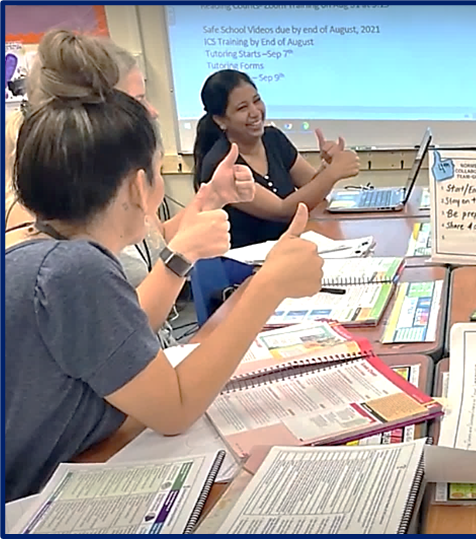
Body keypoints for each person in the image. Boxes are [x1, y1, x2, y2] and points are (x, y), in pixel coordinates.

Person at [5, 79, 324, 501]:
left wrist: (205, 211)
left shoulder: (45, 253)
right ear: (141, 187)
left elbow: (124, 331)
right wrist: (268, 287)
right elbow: (174, 409)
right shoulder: (74, 269)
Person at [4, 30, 253, 346]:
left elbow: (155, 239)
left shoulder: (110, 180)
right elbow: (113, 335)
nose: (153, 111)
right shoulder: (48, 211)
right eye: (138, 101)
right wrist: (182, 257)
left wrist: (213, 196)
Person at [194, 69, 360, 248]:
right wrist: (332, 174)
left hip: (287, 248)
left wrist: (327, 166)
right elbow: (282, 211)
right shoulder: (220, 164)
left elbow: (311, 188)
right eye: (242, 108)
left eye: (257, 101)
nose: (255, 112)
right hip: (247, 265)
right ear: (221, 120)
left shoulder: (273, 138)